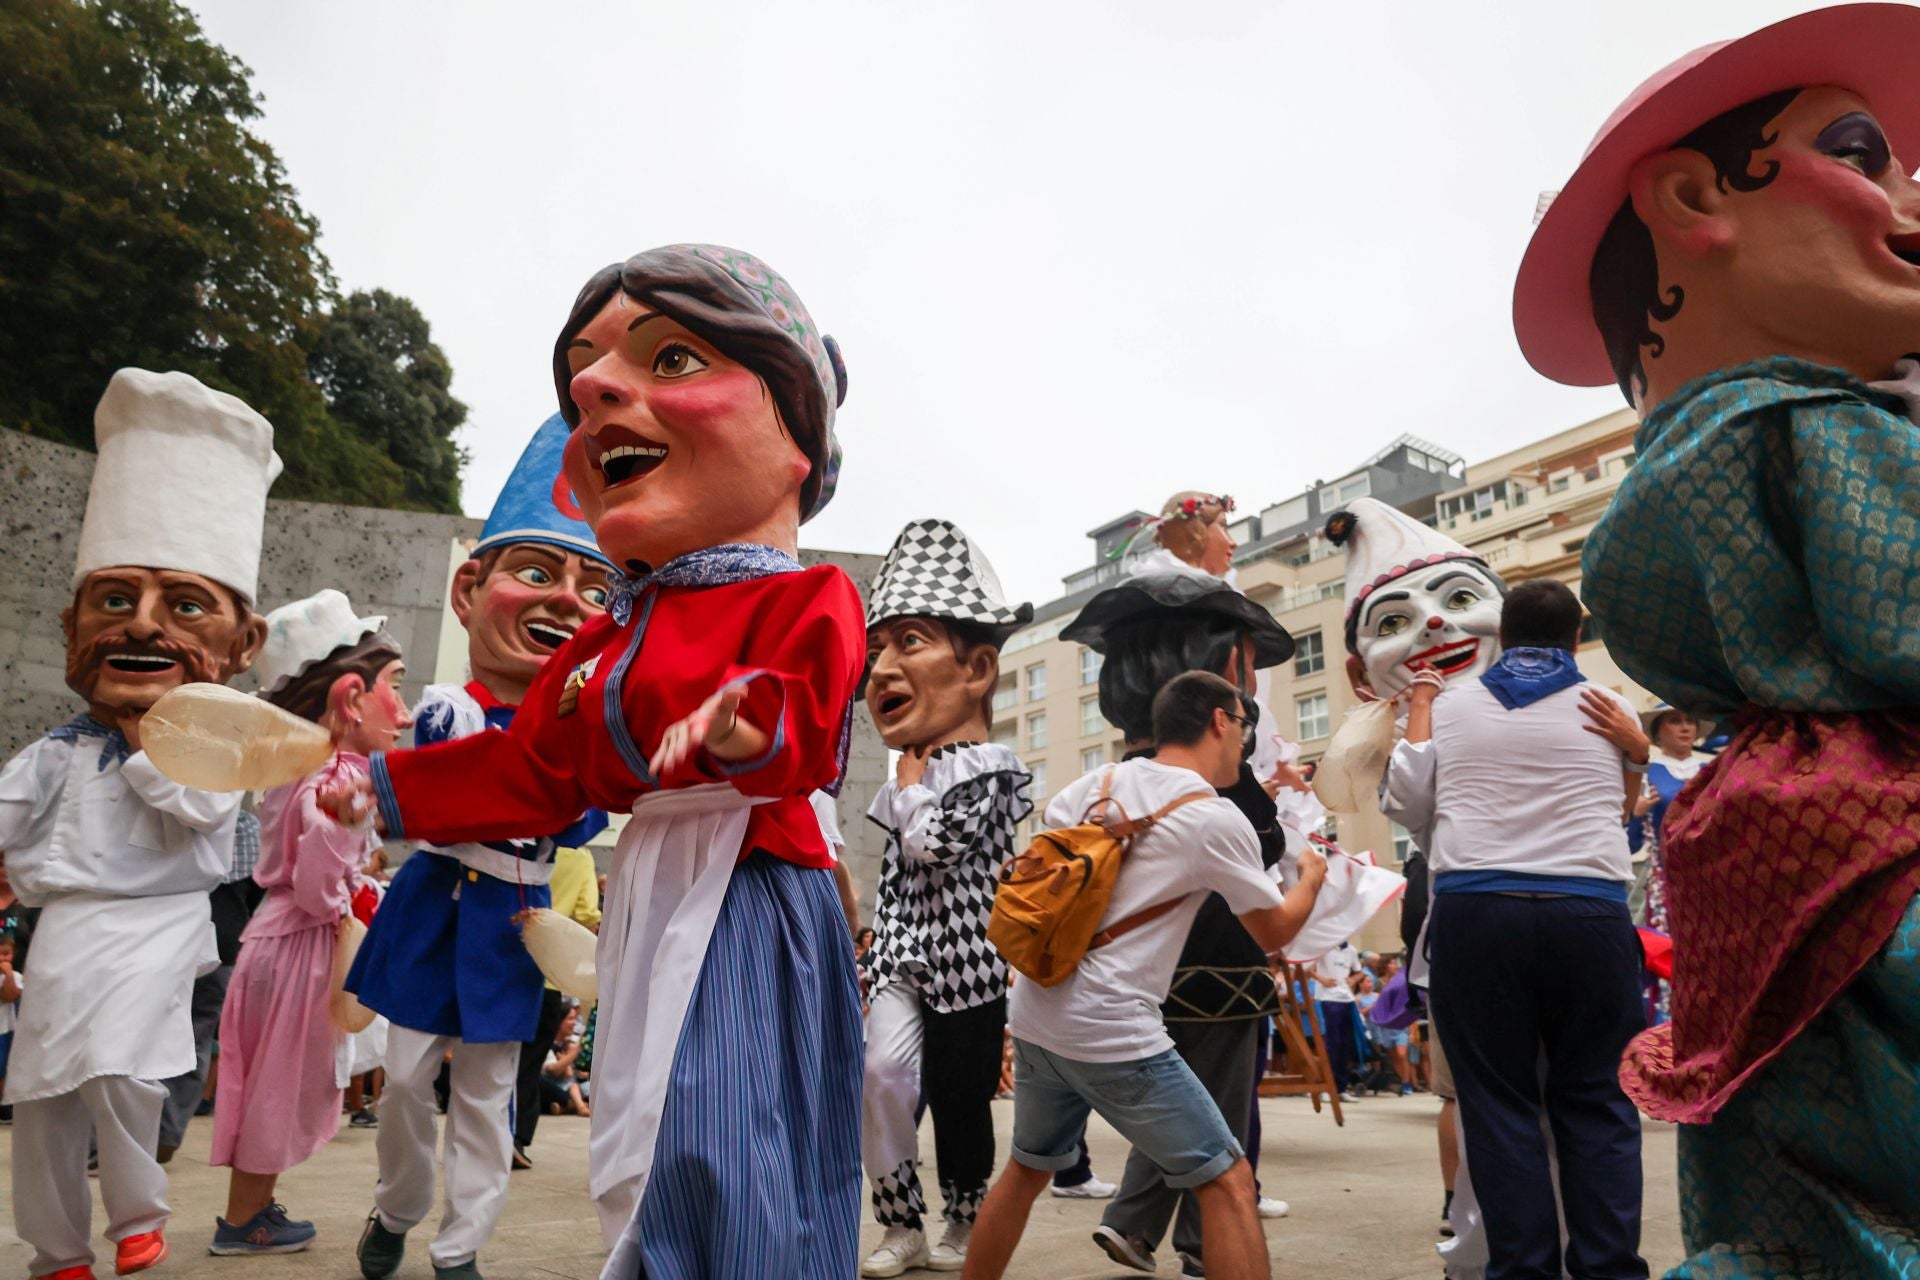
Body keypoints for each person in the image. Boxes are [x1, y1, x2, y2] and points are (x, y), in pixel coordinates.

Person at [325, 244, 864, 1280]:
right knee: (643, 1147)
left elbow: (808, 718)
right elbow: (529, 771)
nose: (596, 387)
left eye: (670, 357)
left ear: (797, 433)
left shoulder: (803, 595)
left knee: (720, 1148)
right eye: (589, 370)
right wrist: (386, 785)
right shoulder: (601, 640)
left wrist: (750, 727)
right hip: (656, 891)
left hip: (748, 891)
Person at [1515, 8, 1920, 1268]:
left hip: (1755, 839)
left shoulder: (1661, 476)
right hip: (1883, 836)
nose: (1907, 192)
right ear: (1695, 197)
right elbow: (1901, 620)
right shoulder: (1819, 424)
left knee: (1777, 1162)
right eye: (1863, 155)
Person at [1, 369, 279, 1280]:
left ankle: (137, 1215)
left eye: (184, 606)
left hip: (159, 925)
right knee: (41, 1096)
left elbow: (194, 801)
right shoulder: (56, 752)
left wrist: (146, 733)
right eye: (115, 600)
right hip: (66, 932)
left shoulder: (216, 748)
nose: (143, 627)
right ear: (73, 622)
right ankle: (56, 1248)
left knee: (122, 1074)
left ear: (242, 646)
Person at [343, 416, 612, 1280]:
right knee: (405, 1085)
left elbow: (576, 824)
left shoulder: (577, 736)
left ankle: (460, 1249)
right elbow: (439, 797)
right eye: (536, 573)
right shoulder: (447, 711)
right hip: (437, 905)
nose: (566, 602)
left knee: (490, 1099)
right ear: (468, 590)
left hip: (513, 921)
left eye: (594, 589)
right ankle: (397, 1208)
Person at [962, 672, 1327, 1280]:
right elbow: (1275, 932)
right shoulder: (1213, 817)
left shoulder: (1088, 788)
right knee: (1230, 1182)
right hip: (1111, 1032)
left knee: (1026, 1171)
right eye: (1244, 727)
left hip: (1035, 1014)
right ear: (1219, 721)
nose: (1244, 742)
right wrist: (1311, 877)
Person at [1383, 579, 1650, 1279]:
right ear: (1574, 638)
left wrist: (1418, 708)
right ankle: (1610, 1269)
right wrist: (1638, 753)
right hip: (1589, 909)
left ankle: (1522, 1270)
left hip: (1479, 908)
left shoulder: (1452, 705)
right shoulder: (1612, 706)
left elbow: (1405, 803)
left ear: (1502, 631)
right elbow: (1622, 818)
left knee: (1498, 1105)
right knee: (1598, 1098)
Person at [1059, 569, 1309, 1278]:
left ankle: (1136, 1224)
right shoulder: (1216, 774)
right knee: (1217, 1112)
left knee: (1173, 1099)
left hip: (1138, 968)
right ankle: (1201, 1245)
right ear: (1227, 665)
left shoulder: (1115, 777)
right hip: (1223, 963)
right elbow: (1263, 845)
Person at [208, 592, 410, 1256]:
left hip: (281, 938)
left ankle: (252, 1210)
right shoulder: (332, 778)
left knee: (271, 1079)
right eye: (395, 690)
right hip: (300, 943)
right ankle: (243, 1223)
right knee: (279, 1084)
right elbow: (320, 888)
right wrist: (342, 825)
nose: (404, 713)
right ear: (351, 698)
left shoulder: (304, 767)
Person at [858, 519, 1033, 1277]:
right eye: (877, 649)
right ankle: (901, 1223)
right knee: (881, 1075)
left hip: (969, 961)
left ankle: (965, 1216)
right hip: (899, 952)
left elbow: (936, 845)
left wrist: (906, 794)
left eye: (911, 642)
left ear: (979, 669)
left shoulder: (992, 766)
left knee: (964, 1099)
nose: (882, 668)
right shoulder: (903, 775)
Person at [158, 806, 264, 1164]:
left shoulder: (173, 812)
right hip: (223, 943)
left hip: (166, 938)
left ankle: (133, 1136)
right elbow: (256, 899)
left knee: (150, 1033)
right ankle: (166, 1133)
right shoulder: (249, 829)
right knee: (196, 1038)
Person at [515, 838, 602, 1169]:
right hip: (550, 976)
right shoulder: (579, 857)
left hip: (514, 967)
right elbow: (586, 913)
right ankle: (518, 1137)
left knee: (498, 1060)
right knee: (532, 1060)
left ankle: (489, 1134)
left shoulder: (527, 845)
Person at [1311, 939, 1363, 1103]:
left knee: (1345, 1044)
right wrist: (1322, 979)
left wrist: (1354, 980)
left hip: (1347, 999)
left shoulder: (1351, 950)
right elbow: (1306, 968)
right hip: (1327, 998)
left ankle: (1341, 1087)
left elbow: (1360, 970)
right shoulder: (1323, 946)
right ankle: (1327, 1087)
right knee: (1332, 1044)